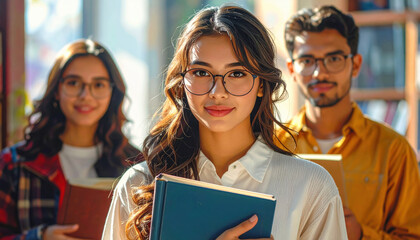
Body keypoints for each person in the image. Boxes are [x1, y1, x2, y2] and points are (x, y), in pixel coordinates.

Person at [102, 5, 348, 240]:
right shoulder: (138, 184)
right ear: (181, 82)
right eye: (201, 72)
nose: (217, 92)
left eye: (237, 73)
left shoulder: (311, 187)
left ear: (262, 85)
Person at [278, 5, 420, 240]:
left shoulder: (393, 150)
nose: (319, 73)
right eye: (307, 60)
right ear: (292, 69)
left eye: (333, 58)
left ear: (355, 65)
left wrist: (361, 235)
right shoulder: (274, 145)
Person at [0, 39, 140, 239]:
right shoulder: (13, 164)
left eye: (98, 85)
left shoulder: (136, 165)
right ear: (56, 90)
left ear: (112, 93)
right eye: (74, 83)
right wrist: (41, 237)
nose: (86, 95)